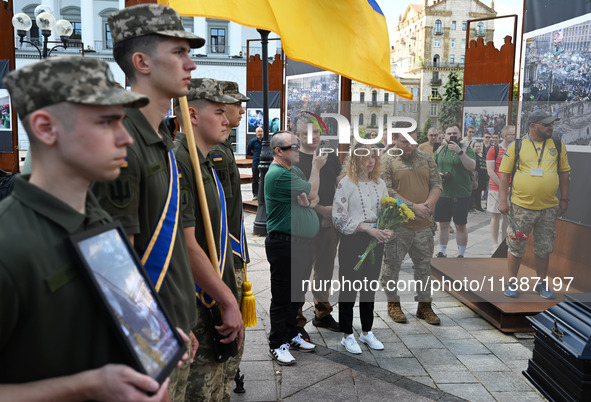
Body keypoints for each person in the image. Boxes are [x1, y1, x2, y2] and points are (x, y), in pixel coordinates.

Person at [0, 56, 180, 400]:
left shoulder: (95, 221)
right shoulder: (9, 246)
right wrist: (87, 387)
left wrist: (154, 340)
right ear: (45, 128)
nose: (126, 138)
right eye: (107, 122)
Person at [90, 5, 233, 401]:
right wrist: (151, 337)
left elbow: (180, 240)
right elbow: (114, 262)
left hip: (173, 327)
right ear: (142, 62)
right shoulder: (121, 141)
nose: (191, 63)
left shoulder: (162, 140)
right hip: (144, 341)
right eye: (178, 53)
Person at [173, 79, 243, 401]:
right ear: (192, 115)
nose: (227, 119)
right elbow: (187, 245)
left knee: (218, 390)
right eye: (218, 111)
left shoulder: (206, 161)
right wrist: (226, 298)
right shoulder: (180, 161)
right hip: (200, 303)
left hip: (216, 289)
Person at [265, 131, 325, 365]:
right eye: (294, 147)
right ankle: (277, 343)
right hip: (284, 244)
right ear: (279, 151)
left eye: (298, 146)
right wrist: (317, 170)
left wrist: (309, 200)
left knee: (296, 295)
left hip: (301, 244)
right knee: (282, 297)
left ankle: (291, 335)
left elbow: (313, 197)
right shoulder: (279, 174)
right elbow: (311, 192)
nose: (299, 150)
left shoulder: (294, 170)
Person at [207, 80, 250, 396]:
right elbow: (220, 213)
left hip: (230, 248)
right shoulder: (217, 155)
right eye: (234, 104)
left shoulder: (221, 150)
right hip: (223, 253)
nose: (240, 110)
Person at [499, 111, 570, 299]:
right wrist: (502, 200)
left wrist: (564, 199)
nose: (551, 128)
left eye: (552, 124)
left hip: (548, 208)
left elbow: (564, 173)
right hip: (521, 207)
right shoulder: (517, 146)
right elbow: (504, 174)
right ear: (532, 126)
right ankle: (511, 282)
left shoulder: (557, 145)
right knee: (515, 246)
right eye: (546, 124)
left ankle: (541, 284)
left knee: (544, 247)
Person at [333, 143, 392, 354]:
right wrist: (366, 229)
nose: (371, 161)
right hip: (353, 239)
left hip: (375, 241)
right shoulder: (345, 184)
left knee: (369, 288)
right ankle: (347, 335)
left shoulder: (380, 183)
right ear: (355, 159)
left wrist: (387, 229)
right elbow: (338, 218)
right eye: (366, 157)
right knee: (349, 288)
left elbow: (386, 211)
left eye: (374, 156)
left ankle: (367, 332)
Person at [381, 130, 442, 325]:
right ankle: (393, 304)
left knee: (424, 267)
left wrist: (427, 207)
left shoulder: (426, 158)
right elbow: (387, 190)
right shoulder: (388, 160)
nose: (410, 146)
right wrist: (412, 207)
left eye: (414, 141)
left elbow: (437, 184)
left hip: (423, 225)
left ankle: (425, 306)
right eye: (405, 142)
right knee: (392, 267)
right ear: (395, 140)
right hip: (398, 226)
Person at [294, 116, 342, 337]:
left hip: (329, 224)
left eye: (316, 134)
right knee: (300, 272)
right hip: (303, 224)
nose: (312, 138)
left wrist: (334, 211)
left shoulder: (329, 156)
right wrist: (322, 210)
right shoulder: (293, 159)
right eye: (306, 134)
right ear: (298, 136)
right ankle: (295, 319)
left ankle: (322, 313)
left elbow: (340, 184)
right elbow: (296, 196)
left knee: (324, 270)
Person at [433, 123, 476, 258]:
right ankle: (442, 251)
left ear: (459, 135)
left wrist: (459, 152)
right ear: (444, 135)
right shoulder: (440, 150)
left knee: (460, 225)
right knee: (443, 225)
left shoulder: (466, 148)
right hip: (443, 193)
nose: (452, 135)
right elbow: (434, 168)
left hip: (461, 193)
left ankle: (461, 253)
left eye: (454, 133)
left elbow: (471, 166)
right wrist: (439, 175)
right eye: (449, 133)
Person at [486, 125, 515, 253]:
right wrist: (504, 187)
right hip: (496, 187)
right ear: (505, 136)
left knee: (507, 217)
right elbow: (490, 171)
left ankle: (504, 243)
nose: (515, 136)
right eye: (513, 134)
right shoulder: (494, 149)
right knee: (496, 216)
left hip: (511, 188)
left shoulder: (516, 149)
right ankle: (494, 244)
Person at [247, 126, 263, 200]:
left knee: (264, 179)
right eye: (258, 131)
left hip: (265, 163)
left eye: (261, 131)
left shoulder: (266, 141)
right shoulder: (253, 141)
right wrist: (255, 155)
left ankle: (263, 194)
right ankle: (255, 194)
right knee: (255, 179)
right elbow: (248, 152)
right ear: (256, 133)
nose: (260, 133)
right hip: (256, 163)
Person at [471, 142, 487, 212]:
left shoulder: (484, 155)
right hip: (475, 178)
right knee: (473, 192)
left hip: (483, 178)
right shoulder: (473, 155)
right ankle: (471, 207)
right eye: (476, 146)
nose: (478, 148)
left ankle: (479, 206)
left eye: (479, 146)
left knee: (479, 192)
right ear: (473, 148)